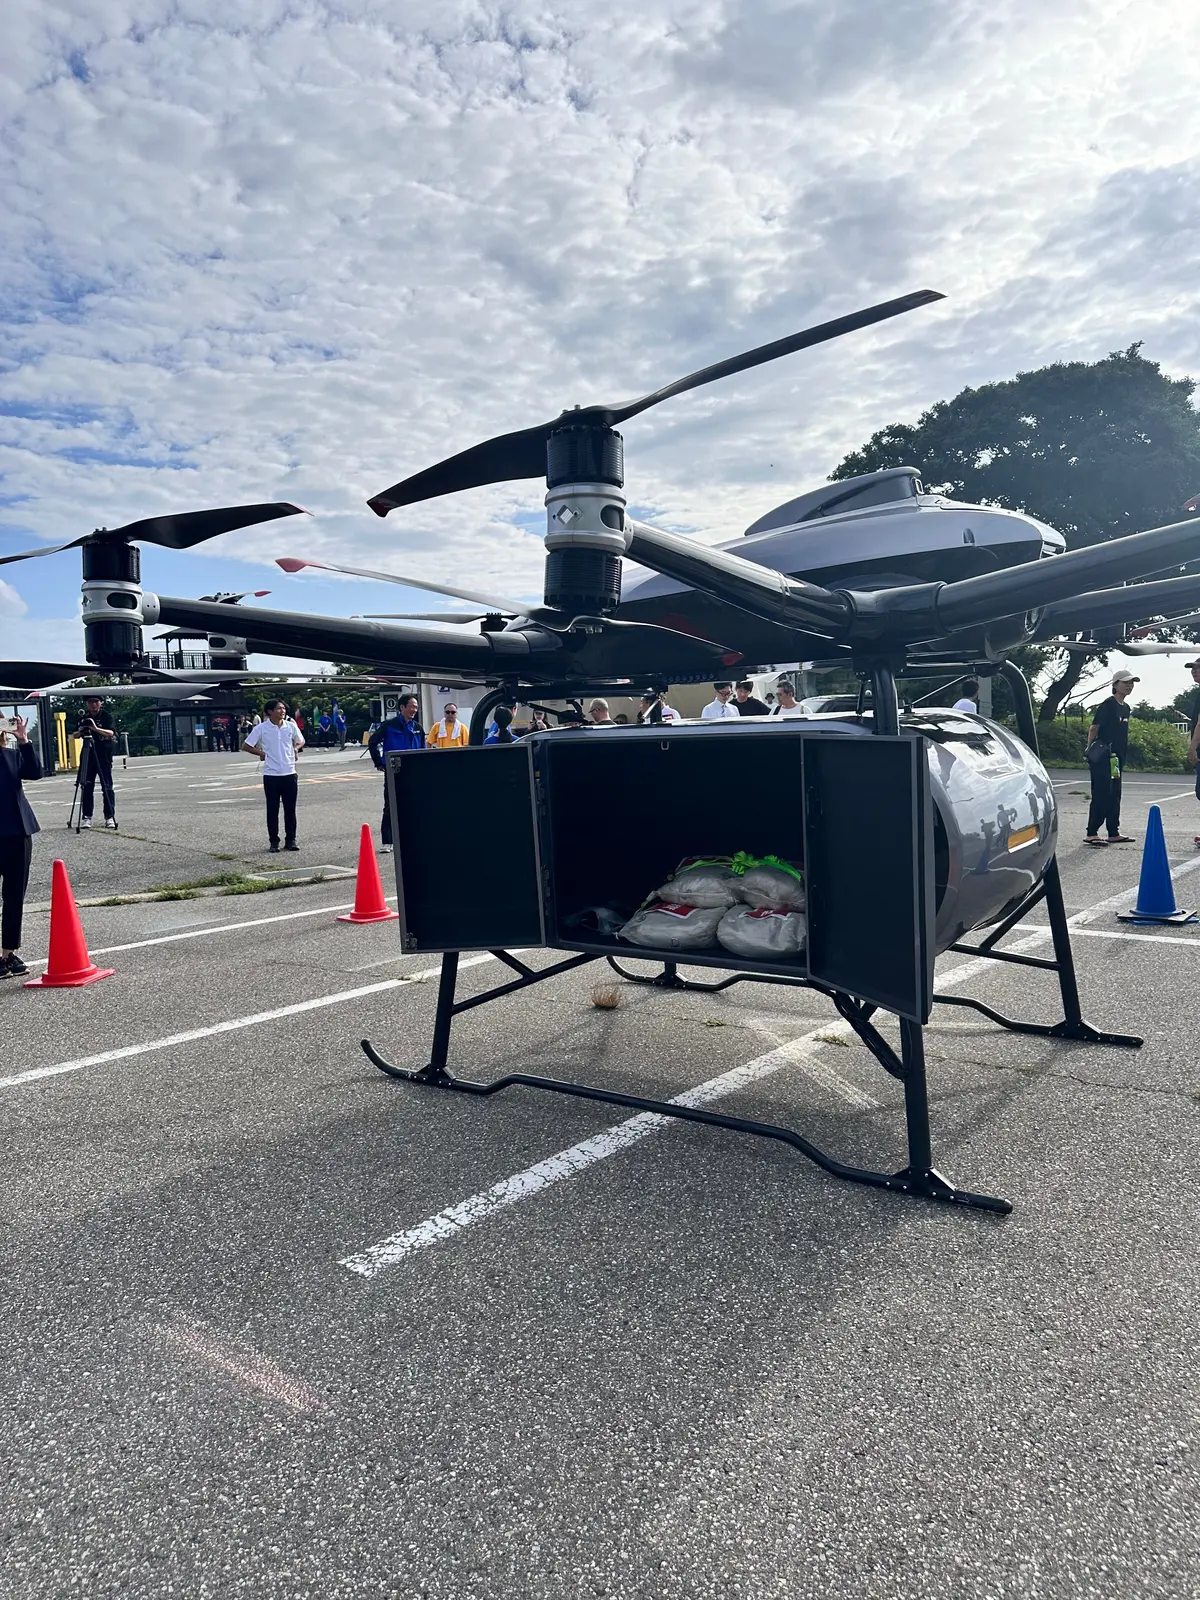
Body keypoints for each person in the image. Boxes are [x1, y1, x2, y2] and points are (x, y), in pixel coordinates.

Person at [0, 714, 40, 979]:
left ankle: (8, 953)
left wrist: (24, 741)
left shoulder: (12, 755)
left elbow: (34, 773)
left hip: (18, 831)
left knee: (15, 896)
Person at [242, 699, 305, 852]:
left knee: (290, 809)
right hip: (271, 774)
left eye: (284, 708)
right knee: (272, 810)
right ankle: (274, 841)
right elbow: (246, 745)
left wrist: (296, 748)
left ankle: (291, 840)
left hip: (289, 773)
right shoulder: (261, 728)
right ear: (270, 711)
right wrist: (261, 753)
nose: (282, 711)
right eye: (279, 708)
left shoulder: (290, 726)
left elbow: (301, 740)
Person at [1085, 669, 1138, 846]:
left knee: (1114, 793)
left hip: (1116, 759)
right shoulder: (1107, 705)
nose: (1129, 686)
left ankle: (1113, 832)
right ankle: (1092, 832)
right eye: (1125, 682)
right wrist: (1089, 749)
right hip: (1103, 757)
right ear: (1115, 684)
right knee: (1101, 793)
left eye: (1131, 683)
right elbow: (1094, 728)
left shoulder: (1126, 708)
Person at [368, 693, 425, 851]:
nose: (414, 710)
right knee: (391, 805)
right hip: (394, 770)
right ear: (402, 707)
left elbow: (423, 749)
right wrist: (379, 762)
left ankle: (411, 837)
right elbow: (372, 742)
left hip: (413, 771)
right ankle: (388, 841)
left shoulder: (418, 728)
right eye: (411, 706)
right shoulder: (389, 725)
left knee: (413, 805)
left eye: (416, 707)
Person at [74, 694, 118, 829]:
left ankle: (109, 816)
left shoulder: (106, 716)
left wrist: (95, 729)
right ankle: (87, 816)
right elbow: (75, 735)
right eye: (90, 702)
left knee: (107, 786)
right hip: (88, 755)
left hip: (103, 755)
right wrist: (81, 731)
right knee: (86, 786)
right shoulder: (84, 717)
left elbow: (111, 733)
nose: (93, 704)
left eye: (96, 701)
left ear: (101, 703)